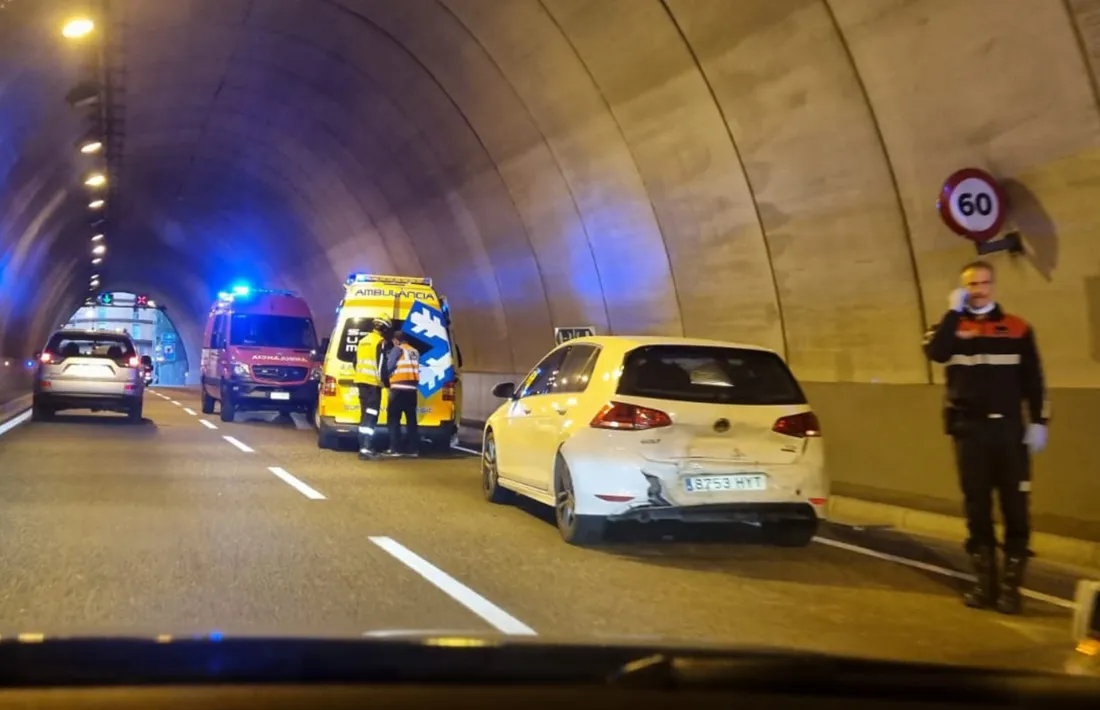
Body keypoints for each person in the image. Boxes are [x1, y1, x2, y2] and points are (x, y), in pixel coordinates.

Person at [923, 260, 1049, 614]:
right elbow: (937, 353)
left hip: (1009, 431)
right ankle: (985, 584)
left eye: (984, 283)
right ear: (964, 289)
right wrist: (952, 312)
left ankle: (1012, 589)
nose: (979, 290)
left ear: (994, 285)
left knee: (1016, 509)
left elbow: (1034, 379)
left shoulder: (1017, 328)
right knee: (977, 507)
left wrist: (1039, 420)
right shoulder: (948, 327)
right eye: (972, 285)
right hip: (970, 431)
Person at [353, 316, 391, 460]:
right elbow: (382, 365)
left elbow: (355, 362)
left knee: (364, 414)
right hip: (373, 384)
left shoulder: (363, 341)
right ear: (384, 328)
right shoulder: (380, 342)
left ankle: (363, 445)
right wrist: (386, 383)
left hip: (361, 381)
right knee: (371, 415)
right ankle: (367, 448)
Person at [384, 330, 420, 457]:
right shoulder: (414, 351)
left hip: (398, 389)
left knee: (394, 420)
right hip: (412, 390)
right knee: (411, 420)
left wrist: (385, 378)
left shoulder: (397, 350)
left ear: (396, 340)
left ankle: (395, 449)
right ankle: (413, 450)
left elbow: (389, 367)